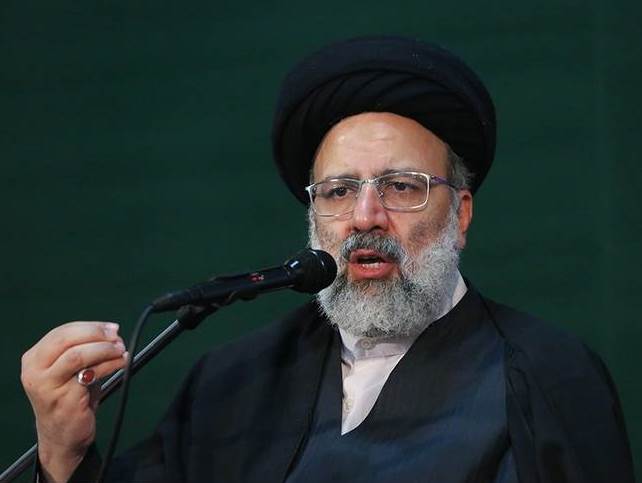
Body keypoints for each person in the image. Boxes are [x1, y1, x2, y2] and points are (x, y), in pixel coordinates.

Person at [21, 36, 634, 483]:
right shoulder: (232, 383)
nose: (366, 216)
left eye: (401, 186)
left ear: (461, 214)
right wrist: (63, 454)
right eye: (339, 192)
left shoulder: (545, 375)